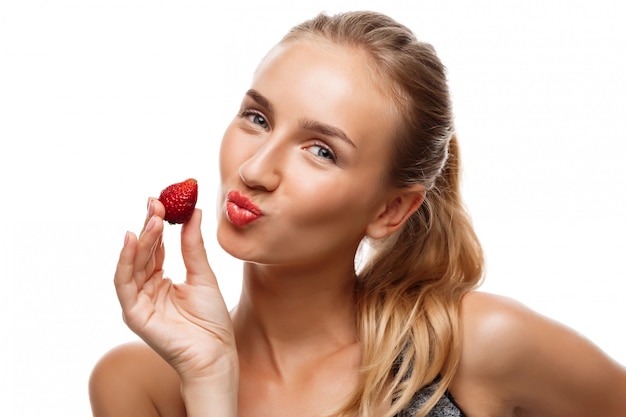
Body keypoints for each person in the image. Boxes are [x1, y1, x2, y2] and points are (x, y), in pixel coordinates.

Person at [89, 10, 626, 417]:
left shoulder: (470, 344)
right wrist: (209, 380)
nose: (255, 169)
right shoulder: (143, 384)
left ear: (392, 209)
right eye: (256, 117)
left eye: (321, 150)